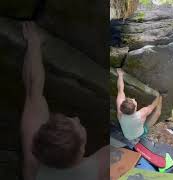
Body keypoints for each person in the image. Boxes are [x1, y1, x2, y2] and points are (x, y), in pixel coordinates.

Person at [20, 21, 107, 180]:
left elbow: (33, 89)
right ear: (81, 152)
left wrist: (33, 43)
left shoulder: (33, 167)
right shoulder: (100, 168)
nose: (77, 117)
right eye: (79, 126)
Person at [116, 68, 163, 142]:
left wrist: (120, 75)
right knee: (157, 113)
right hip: (140, 134)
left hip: (127, 136)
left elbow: (120, 90)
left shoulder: (120, 113)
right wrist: (158, 95)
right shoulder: (141, 114)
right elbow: (153, 105)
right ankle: (161, 96)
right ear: (135, 109)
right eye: (134, 101)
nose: (134, 99)